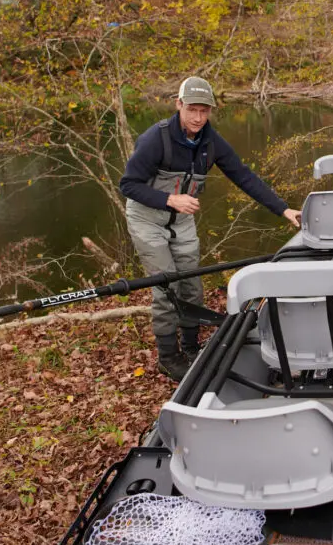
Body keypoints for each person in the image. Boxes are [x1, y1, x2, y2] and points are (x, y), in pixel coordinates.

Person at [120, 76, 301, 380]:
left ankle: (191, 347)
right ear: (179, 105)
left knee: (191, 284)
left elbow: (244, 177)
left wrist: (283, 208)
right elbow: (128, 185)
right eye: (192, 109)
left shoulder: (211, 142)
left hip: (181, 221)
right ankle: (168, 356)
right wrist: (170, 199)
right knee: (167, 288)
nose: (198, 117)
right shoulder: (156, 139)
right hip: (147, 219)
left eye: (204, 111)